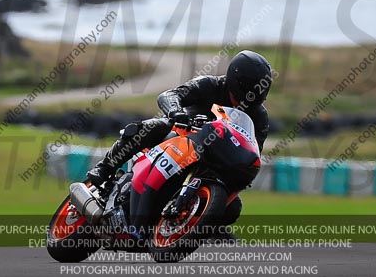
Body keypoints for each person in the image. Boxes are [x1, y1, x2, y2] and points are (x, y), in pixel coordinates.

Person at [86, 50, 273, 220]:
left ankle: (198, 229)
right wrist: (176, 112)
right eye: (252, 87)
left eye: (261, 89)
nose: (255, 94)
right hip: (181, 135)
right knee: (153, 126)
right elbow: (169, 95)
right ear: (236, 80)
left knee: (233, 207)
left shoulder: (259, 117)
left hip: (216, 158)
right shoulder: (210, 84)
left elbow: (255, 149)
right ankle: (105, 168)